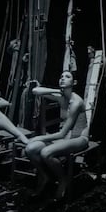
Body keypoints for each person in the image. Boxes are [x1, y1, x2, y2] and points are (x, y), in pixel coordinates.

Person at [23, 69, 90, 198]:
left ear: (74, 82)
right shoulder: (61, 97)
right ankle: (44, 176)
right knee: (30, 149)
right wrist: (56, 90)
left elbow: (61, 133)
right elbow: (35, 91)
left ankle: (63, 180)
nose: (63, 78)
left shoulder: (76, 102)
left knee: (45, 152)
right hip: (65, 138)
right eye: (61, 76)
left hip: (79, 138)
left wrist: (37, 137)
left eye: (67, 77)